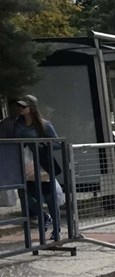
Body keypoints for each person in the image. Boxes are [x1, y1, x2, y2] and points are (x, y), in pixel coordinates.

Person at [3, 95, 62, 238]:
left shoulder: (44, 124)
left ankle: (57, 229)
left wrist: (38, 144)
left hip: (41, 165)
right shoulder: (18, 123)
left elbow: (57, 144)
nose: (20, 109)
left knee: (49, 198)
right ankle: (44, 216)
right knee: (25, 195)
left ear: (32, 108)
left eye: (24, 106)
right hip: (24, 164)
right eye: (19, 106)